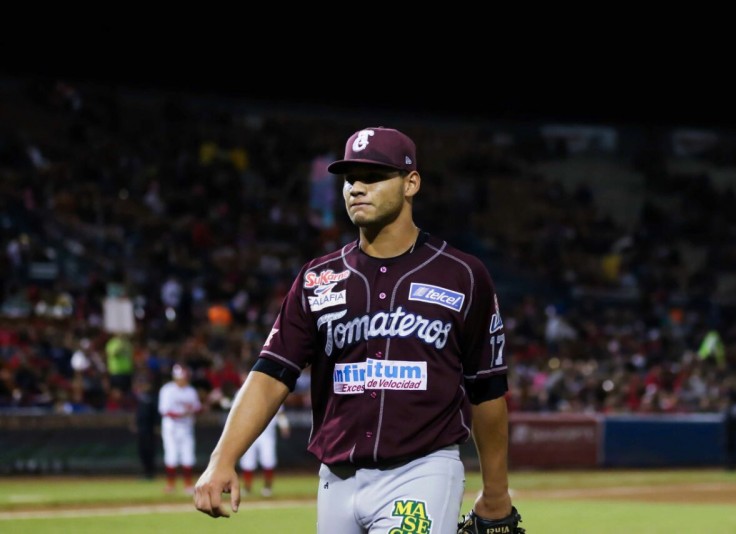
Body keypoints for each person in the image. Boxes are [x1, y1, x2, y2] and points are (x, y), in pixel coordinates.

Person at [194, 126, 518, 533]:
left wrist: (496, 493)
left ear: (411, 183)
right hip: (335, 479)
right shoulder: (317, 278)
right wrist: (222, 458)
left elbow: (486, 389)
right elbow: (271, 373)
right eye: (350, 179)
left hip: (421, 471)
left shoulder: (462, 275)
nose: (357, 188)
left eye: (374, 176)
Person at [159, 363, 202, 494]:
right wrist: (182, 414)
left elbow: (198, 408)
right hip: (171, 427)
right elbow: (164, 411)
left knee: (188, 456)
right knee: (171, 455)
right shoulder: (167, 390)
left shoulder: (191, 391)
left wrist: (196, 410)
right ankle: (170, 485)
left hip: (187, 427)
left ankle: (188, 485)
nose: (185, 379)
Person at [239, 403, 290, 496]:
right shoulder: (244, 392)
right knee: (247, 461)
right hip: (248, 433)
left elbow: (280, 413)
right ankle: (247, 487)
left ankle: (267, 487)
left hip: (267, 434)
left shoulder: (274, 391)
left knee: (268, 460)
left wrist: (284, 425)